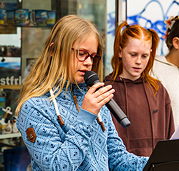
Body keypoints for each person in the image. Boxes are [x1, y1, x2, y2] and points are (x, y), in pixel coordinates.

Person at [15, 15, 148, 170]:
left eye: (93, 56)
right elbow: (56, 167)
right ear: (53, 50)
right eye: (81, 53)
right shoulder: (35, 107)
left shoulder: (95, 100)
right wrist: (86, 116)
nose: (89, 62)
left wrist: (160, 162)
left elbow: (118, 160)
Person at [104, 21, 175, 156]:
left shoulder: (158, 90)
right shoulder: (107, 90)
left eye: (144, 56)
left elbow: (169, 134)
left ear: (151, 54)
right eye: (133, 54)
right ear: (120, 52)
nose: (138, 61)